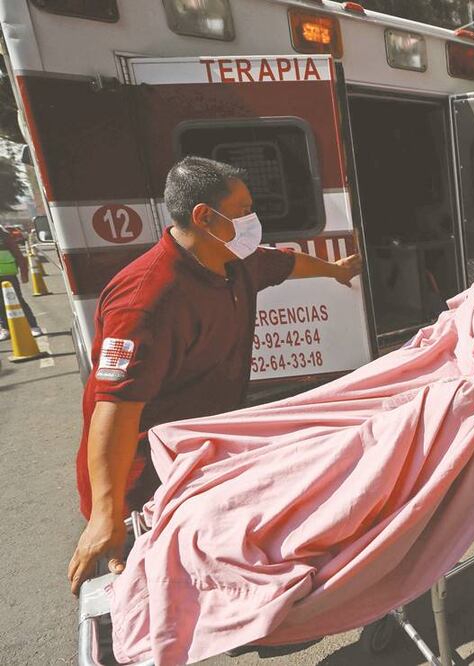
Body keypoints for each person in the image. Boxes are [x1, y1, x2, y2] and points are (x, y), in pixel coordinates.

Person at [67, 156, 363, 594]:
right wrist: (107, 513)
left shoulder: (233, 260)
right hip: (143, 484)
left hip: (199, 460)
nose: (252, 219)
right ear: (205, 217)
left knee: (210, 579)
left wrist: (336, 271)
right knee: (152, 598)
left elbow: (285, 263)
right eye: (243, 209)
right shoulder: (147, 300)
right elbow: (115, 408)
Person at [0, 225, 43, 339]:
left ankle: (33, 326)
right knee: (0, 304)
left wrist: (24, 273)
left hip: (8, 274)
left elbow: (18, 254)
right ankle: (5, 328)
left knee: (17, 299)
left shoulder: (3, 235)